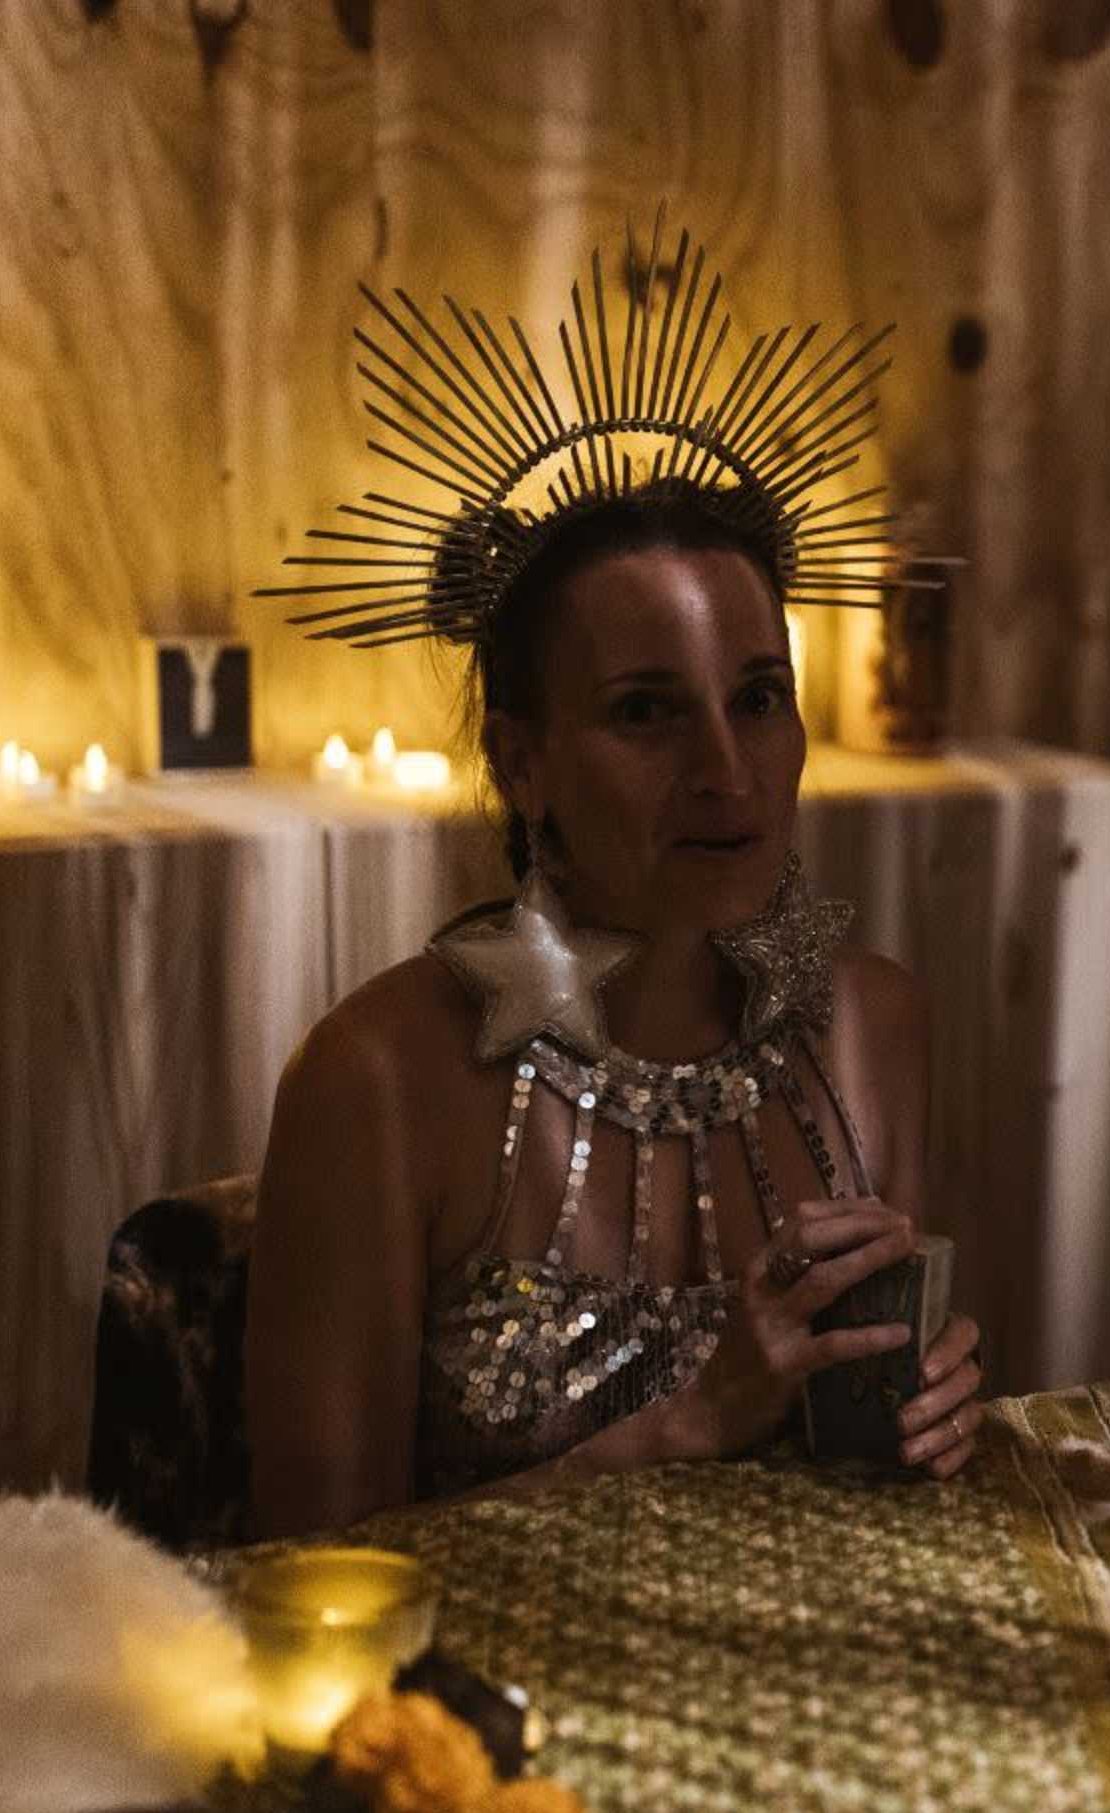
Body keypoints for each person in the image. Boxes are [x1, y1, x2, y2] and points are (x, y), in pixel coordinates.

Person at [242, 474, 986, 1534]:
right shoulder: (378, 1080)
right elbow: (305, 1570)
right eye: (647, 712)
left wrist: (929, 1410)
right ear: (522, 761)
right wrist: (688, 1425)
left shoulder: (873, 1027)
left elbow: (874, 1474)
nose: (727, 772)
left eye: (760, 699)